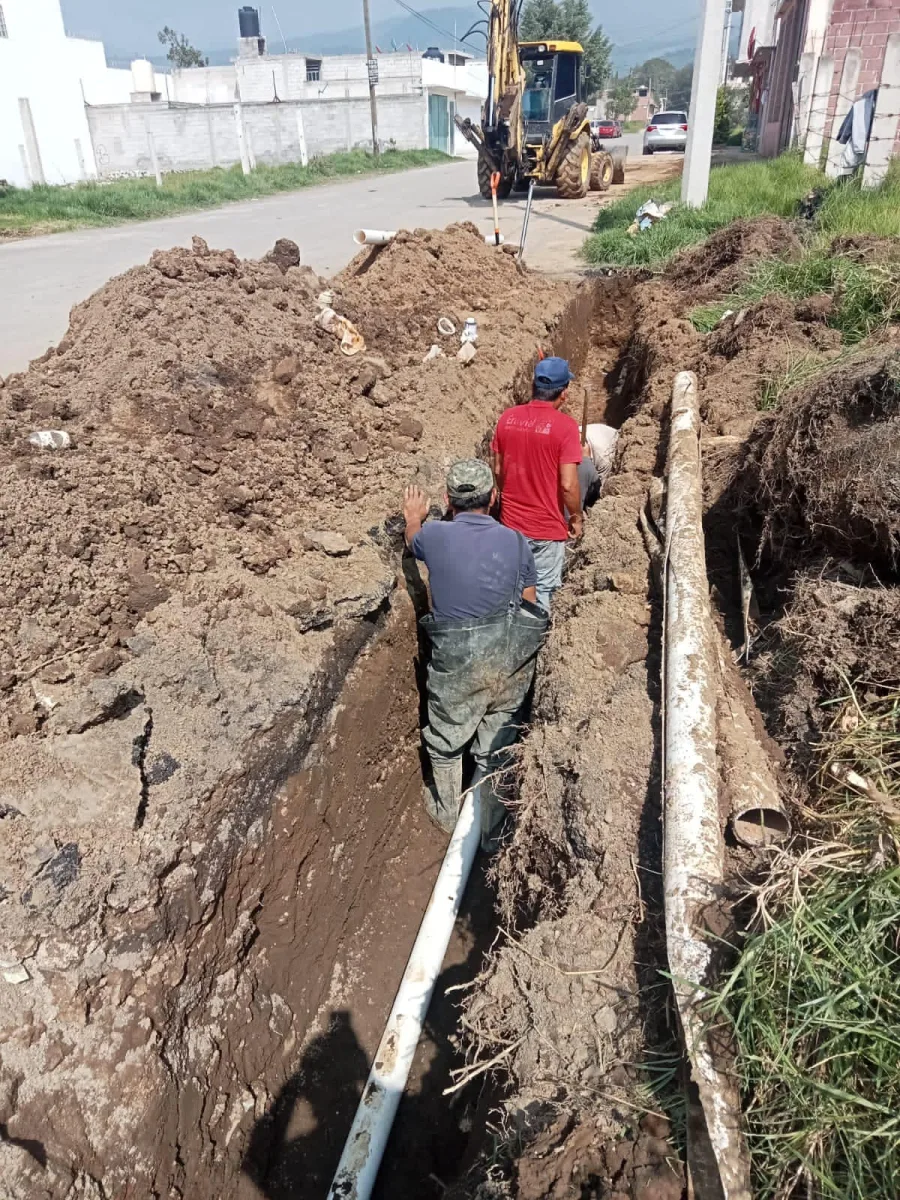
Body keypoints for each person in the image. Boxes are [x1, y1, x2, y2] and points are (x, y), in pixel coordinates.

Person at [403, 459, 549, 846]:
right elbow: (528, 604)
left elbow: (412, 541)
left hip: (457, 664)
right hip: (509, 663)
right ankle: (491, 829)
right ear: (494, 497)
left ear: (449, 501)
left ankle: (447, 811)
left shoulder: (433, 535)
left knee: (446, 740)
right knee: (497, 745)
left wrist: (413, 516)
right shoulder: (517, 542)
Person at [491, 356, 583, 611]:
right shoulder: (565, 428)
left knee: (512, 586)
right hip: (546, 529)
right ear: (563, 394)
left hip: (510, 525)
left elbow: (498, 469)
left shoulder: (507, 418)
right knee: (541, 591)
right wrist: (575, 517)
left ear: (533, 385)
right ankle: (535, 643)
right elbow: (568, 485)